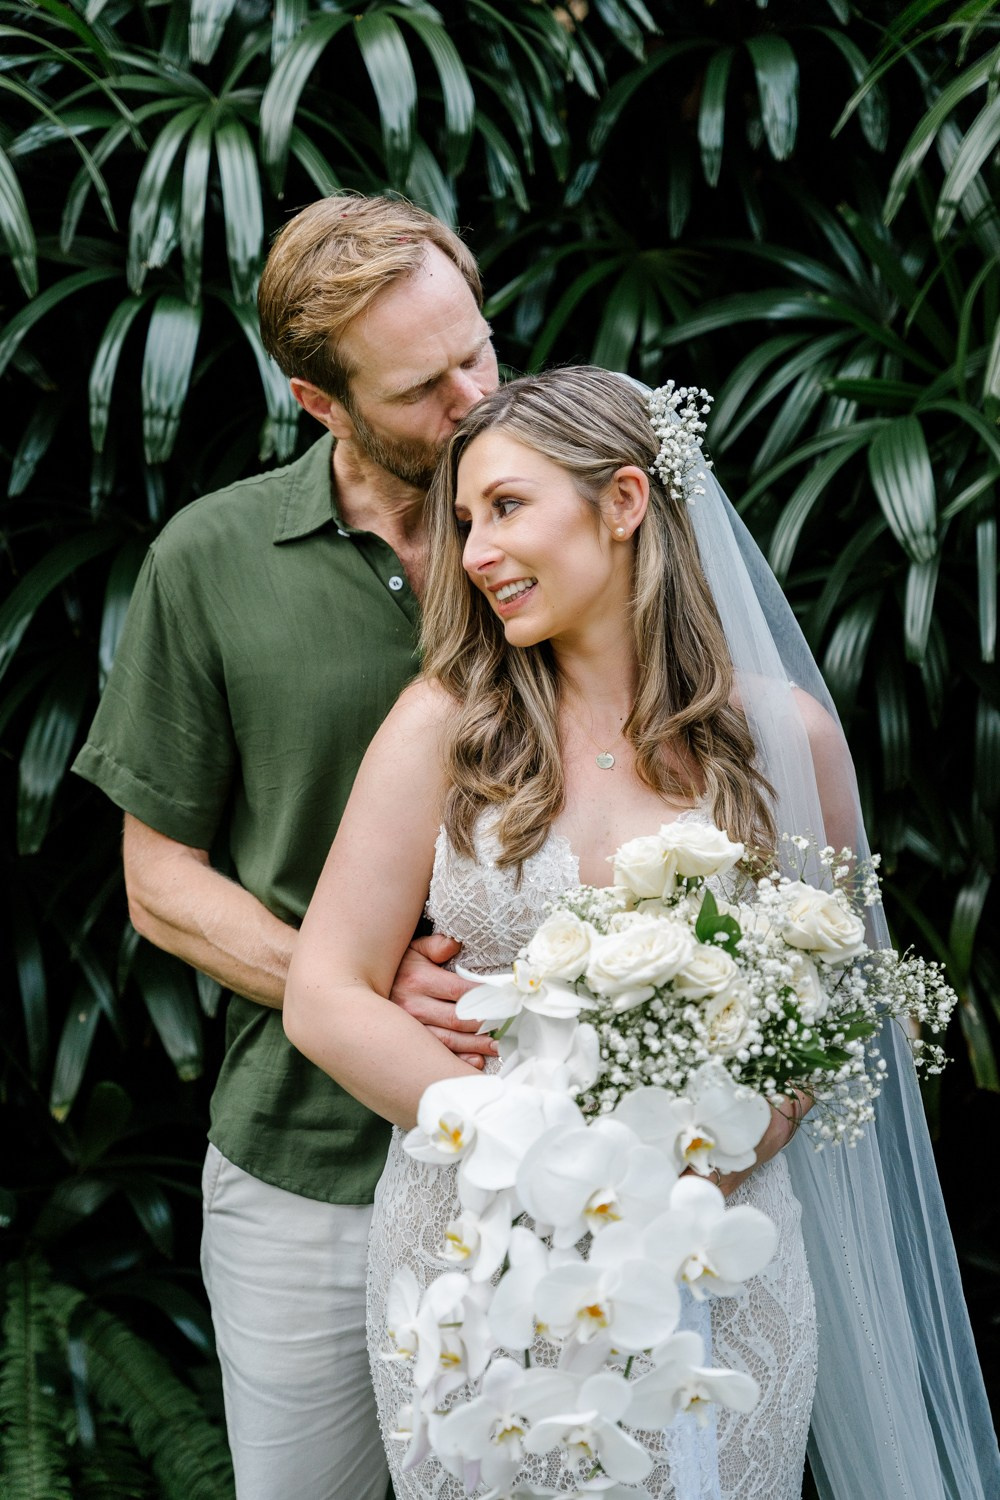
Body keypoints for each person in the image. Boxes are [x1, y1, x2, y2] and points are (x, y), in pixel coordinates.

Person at [284, 367, 1000, 1499]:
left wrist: (755, 1128)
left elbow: (824, 994)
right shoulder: (442, 728)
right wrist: (523, 1147)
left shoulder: (786, 741)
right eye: (465, 521)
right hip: (478, 1243)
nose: (473, 553)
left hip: (712, 1238)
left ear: (622, 502)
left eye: (507, 509)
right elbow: (323, 992)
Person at [72, 194, 500, 1500]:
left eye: (480, 349)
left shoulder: (582, 525)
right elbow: (159, 887)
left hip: (561, 1162)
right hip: (310, 1180)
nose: (476, 398)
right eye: (426, 388)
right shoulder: (210, 559)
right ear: (321, 404)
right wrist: (361, 984)